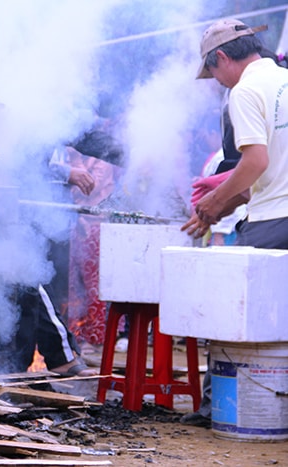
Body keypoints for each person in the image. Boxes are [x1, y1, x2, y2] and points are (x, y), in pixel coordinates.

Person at [180, 19, 288, 427]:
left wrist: (213, 202)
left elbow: (257, 162)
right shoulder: (285, 79)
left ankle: (219, 410)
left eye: (212, 73)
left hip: (273, 220)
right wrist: (227, 201)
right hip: (276, 208)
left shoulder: (243, 91)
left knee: (233, 311)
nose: (216, 82)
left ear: (222, 58)